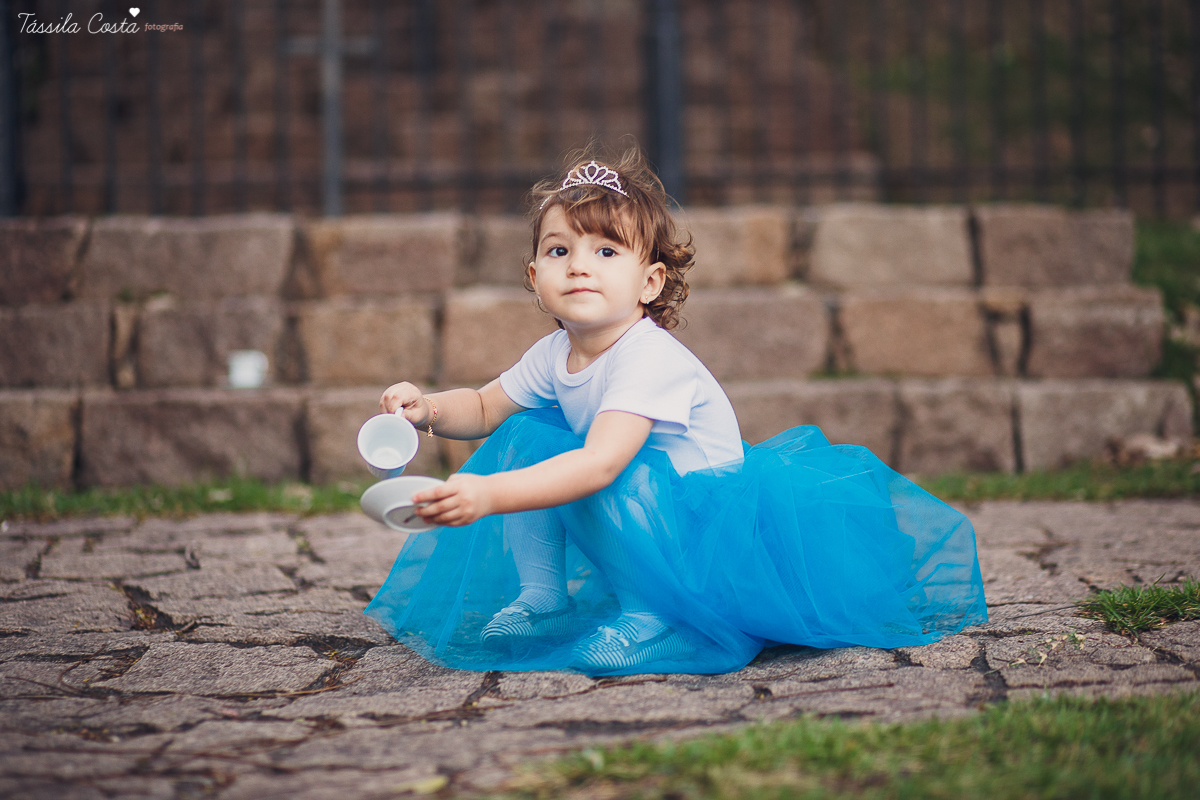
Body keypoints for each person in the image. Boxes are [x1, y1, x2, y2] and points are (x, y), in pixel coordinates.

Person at [365, 146, 987, 676]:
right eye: (559, 251)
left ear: (651, 283)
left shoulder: (647, 359)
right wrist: (424, 409)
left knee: (609, 468)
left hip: (709, 539)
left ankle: (656, 619)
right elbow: (481, 406)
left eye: (607, 252)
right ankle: (544, 597)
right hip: (649, 519)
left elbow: (602, 466)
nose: (579, 263)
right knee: (530, 433)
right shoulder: (556, 351)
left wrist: (489, 495)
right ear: (534, 274)